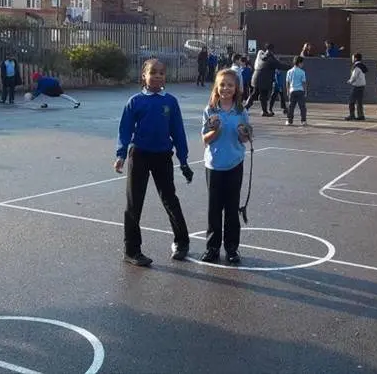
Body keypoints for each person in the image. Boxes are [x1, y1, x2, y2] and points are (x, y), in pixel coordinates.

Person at [114, 59, 193, 266]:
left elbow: (178, 132)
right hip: (139, 155)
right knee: (134, 204)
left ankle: (182, 243)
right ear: (144, 76)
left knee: (170, 199)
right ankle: (132, 250)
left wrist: (183, 160)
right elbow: (125, 130)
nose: (157, 76)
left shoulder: (171, 102)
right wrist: (121, 155)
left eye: (161, 73)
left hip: (162, 156)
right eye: (153, 72)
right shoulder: (135, 102)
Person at [200, 69, 252, 264]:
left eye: (230, 85)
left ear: (236, 88)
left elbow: (246, 138)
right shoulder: (210, 110)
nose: (226, 88)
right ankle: (212, 248)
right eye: (222, 84)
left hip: (234, 164)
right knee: (214, 209)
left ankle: (232, 248)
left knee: (231, 209)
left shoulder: (241, 111)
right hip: (214, 166)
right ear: (216, 87)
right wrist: (216, 130)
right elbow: (205, 139)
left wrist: (243, 132)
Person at [245, 43, 288, 116]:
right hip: (264, 79)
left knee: (255, 93)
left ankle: (245, 108)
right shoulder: (270, 58)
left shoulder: (262, 55)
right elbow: (280, 65)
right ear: (272, 50)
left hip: (256, 77)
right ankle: (264, 111)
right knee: (263, 95)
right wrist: (291, 66)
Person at [285, 56, 308, 126]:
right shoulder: (302, 72)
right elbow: (304, 83)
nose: (303, 64)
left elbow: (287, 82)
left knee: (291, 107)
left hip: (292, 91)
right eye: (302, 63)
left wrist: (288, 91)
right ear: (299, 63)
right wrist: (305, 91)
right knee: (302, 107)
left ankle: (289, 121)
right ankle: (303, 121)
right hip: (300, 91)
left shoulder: (289, 71)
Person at [345, 52, 368, 121]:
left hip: (356, 86)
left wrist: (350, 81)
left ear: (355, 58)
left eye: (353, 57)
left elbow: (354, 76)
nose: (352, 59)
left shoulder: (357, 66)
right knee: (359, 102)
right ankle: (361, 115)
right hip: (362, 86)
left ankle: (352, 115)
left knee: (351, 101)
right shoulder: (362, 65)